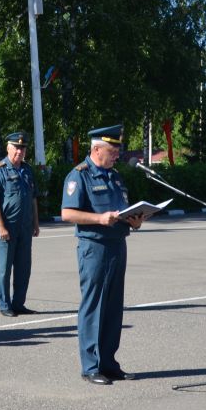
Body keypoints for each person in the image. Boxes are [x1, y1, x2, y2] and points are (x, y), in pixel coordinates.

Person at [59, 124, 146, 385]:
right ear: (97, 150)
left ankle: (109, 363)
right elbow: (67, 213)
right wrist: (99, 218)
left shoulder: (116, 177)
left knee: (113, 307)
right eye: (112, 150)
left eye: (118, 150)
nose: (117, 154)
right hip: (93, 248)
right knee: (93, 305)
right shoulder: (79, 176)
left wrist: (135, 221)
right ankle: (90, 366)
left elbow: (122, 210)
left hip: (117, 244)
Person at [0, 131, 40, 317]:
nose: (20, 151)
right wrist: (0, 226)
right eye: (16, 147)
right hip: (7, 227)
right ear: (8, 147)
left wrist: (36, 222)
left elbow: (33, 198)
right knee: (5, 269)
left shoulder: (27, 170)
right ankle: (4, 305)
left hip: (24, 227)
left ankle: (18, 304)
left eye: (23, 148)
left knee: (24, 267)